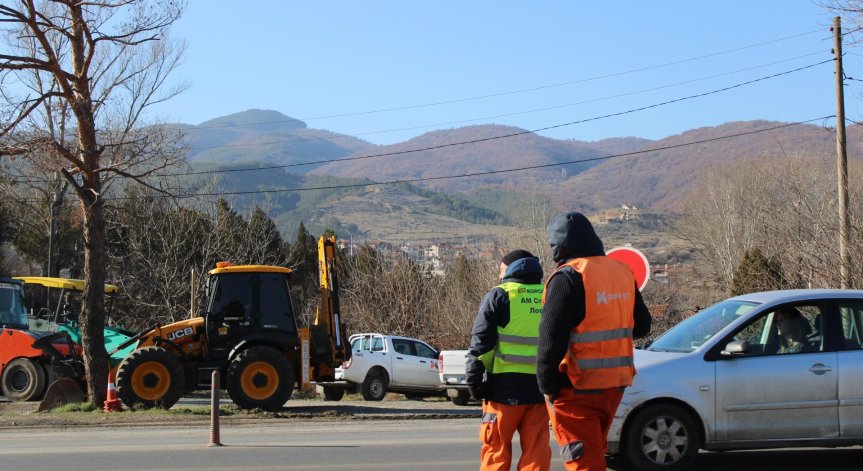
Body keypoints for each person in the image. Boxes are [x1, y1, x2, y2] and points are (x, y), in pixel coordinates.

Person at [537, 212, 652, 471]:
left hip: (576, 387)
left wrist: (547, 387)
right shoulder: (622, 271)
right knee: (594, 455)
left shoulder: (567, 277)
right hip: (615, 383)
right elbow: (643, 325)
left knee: (583, 462)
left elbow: (550, 340)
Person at [465, 249, 551, 471]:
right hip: (541, 390)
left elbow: (481, 343)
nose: (499, 276)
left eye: (501, 270)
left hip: (503, 391)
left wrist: (474, 381)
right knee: (536, 452)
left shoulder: (500, 294)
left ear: (513, 268)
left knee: (496, 450)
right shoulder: (549, 294)